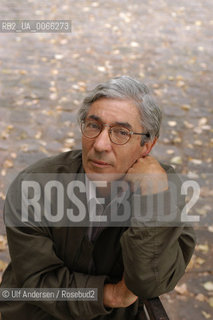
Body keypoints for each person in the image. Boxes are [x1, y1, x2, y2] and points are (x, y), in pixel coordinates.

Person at [0, 76, 195, 319]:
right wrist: (109, 294)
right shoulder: (34, 185)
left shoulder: (166, 190)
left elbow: (151, 282)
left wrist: (153, 199)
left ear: (147, 145)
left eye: (121, 132)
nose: (101, 144)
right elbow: (38, 282)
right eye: (93, 126)